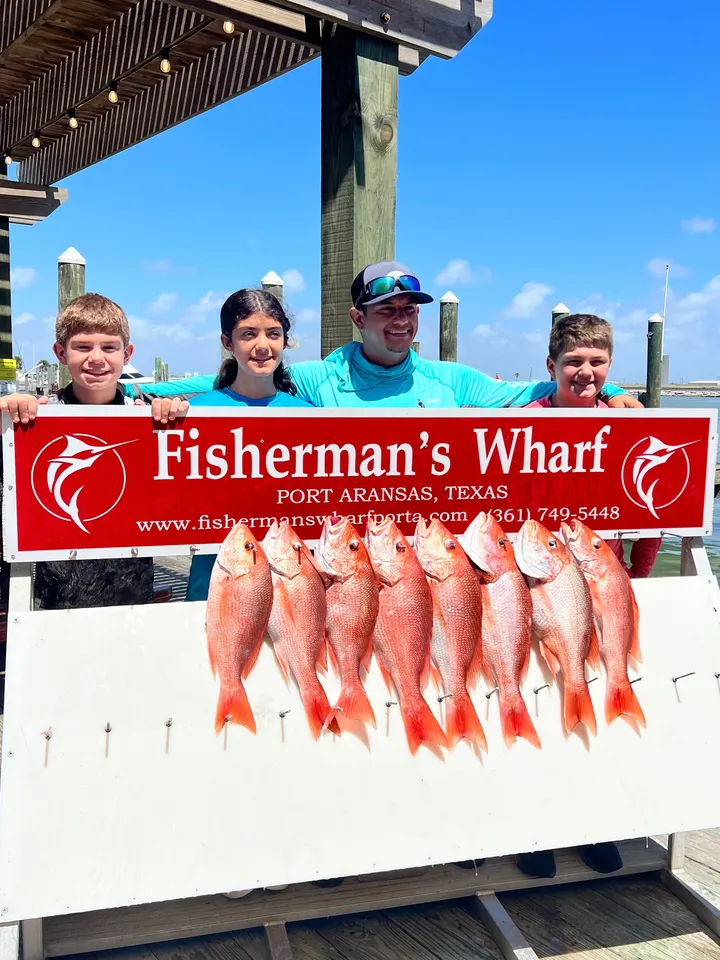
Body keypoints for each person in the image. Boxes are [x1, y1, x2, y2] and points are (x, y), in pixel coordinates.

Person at [518, 312, 657, 881]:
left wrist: (636, 578)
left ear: (611, 367)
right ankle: (537, 833)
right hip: (540, 588)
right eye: (573, 361)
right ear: (550, 366)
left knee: (601, 713)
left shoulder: (627, 424)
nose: (585, 372)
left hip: (603, 588)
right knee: (540, 706)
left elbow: (651, 519)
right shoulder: (524, 423)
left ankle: (596, 824)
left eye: (597, 362)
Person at [140, 262, 642, 418]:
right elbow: (239, 377)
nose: (400, 320)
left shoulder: (452, 380)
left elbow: (539, 391)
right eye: (386, 311)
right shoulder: (319, 378)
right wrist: (152, 396)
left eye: (409, 310)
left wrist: (614, 390)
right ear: (359, 318)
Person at [0, 294, 155, 609]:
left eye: (109, 347)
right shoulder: (33, 421)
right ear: (60, 352)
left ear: (127, 354)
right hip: (53, 601)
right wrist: (7, 423)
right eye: (82, 347)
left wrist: (172, 418)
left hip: (135, 598)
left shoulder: (147, 413)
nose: (96, 358)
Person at [185, 288, 312, 602]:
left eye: (273, 334)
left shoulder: (309, 415)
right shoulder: (196, 412)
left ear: (285, 340)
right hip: (215, 582)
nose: (262, 346)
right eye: (248, 334)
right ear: (228, 343)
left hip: (289, 585)